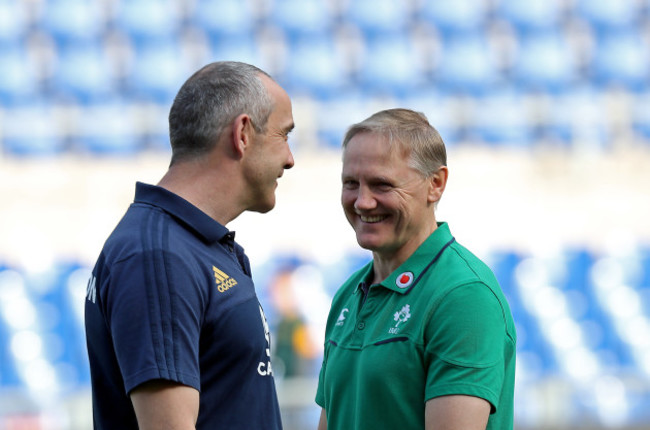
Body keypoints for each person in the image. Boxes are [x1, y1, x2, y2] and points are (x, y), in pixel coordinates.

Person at [84, 61, 295, 429]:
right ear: (243, 133)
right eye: (284, 135)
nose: (289, 159)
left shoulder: (193, 246)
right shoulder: (158, 256)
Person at [315, 108, 516, 430]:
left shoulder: (463, 296)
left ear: (435, 184)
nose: (362, 202)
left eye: (382, 185)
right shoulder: (349, 294)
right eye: (351, 183)